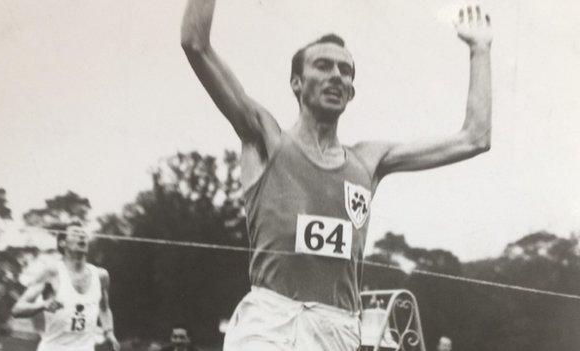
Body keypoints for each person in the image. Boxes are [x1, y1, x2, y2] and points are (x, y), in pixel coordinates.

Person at [181, 1, 492, 350]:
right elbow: (195, 44)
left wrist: (480, 49)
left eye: (345, 71)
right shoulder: (265, 137)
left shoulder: (368, 161)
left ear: (351, 92)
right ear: (297, 83)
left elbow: (474, 138)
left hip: (336, 328)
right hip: (270, 321)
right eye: (323, 66)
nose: (336, 76)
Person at [12, 225, 120, 351]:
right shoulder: (52, 273)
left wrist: (109, 332)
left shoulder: (101, 276)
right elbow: (17, 309)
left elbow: (104, 308)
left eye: (84, 235)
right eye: (75, 233)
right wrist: (43, 305)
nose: (81, 236)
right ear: (63, 243)